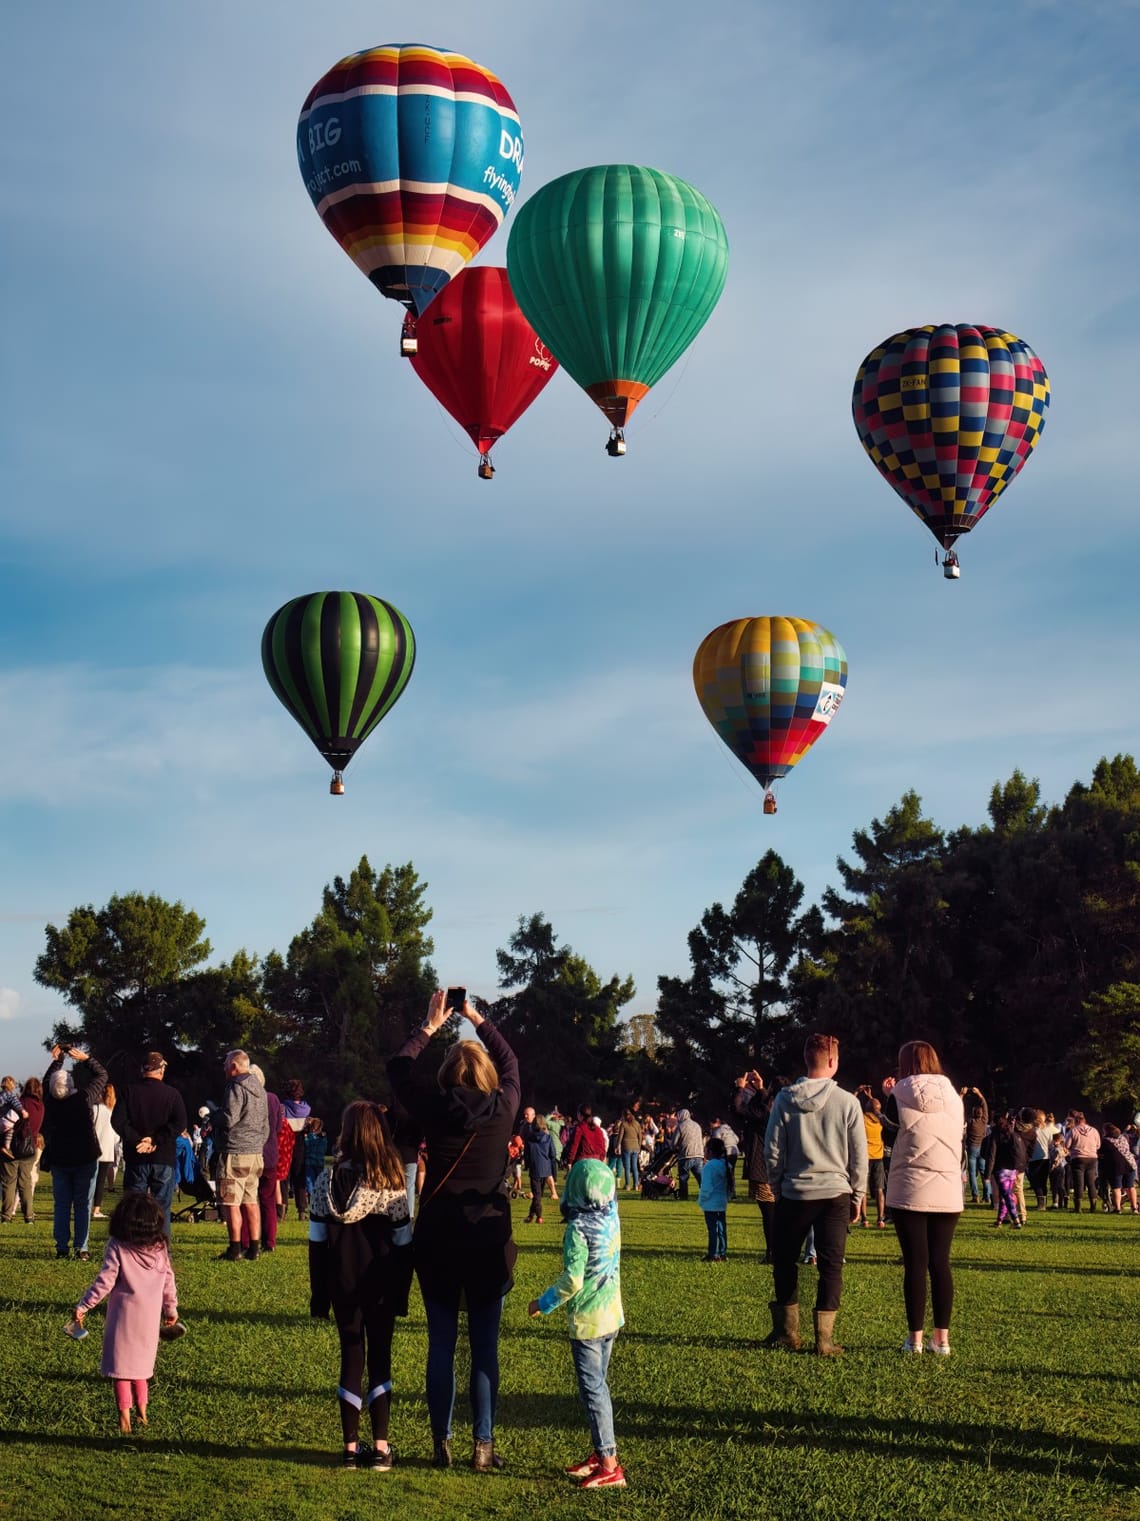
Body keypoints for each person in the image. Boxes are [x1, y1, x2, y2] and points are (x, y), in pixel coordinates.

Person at [388, 990, 519, 1473]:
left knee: (441, 1342)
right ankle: (482, 1445)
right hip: (487, 1237)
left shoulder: (432, 1108)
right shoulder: (504, 1107)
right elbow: (510, 1061)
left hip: (439, 1236)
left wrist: (429, 1024)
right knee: (484, 1345)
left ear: (447, 1075)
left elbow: (398, 1069)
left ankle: (440, 1442)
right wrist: (475, 1018)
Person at [308, 1100, 413, 1471]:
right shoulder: (392, 1181)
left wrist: (319, 1294)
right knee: (379, 1357)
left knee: (350, 1358)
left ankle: (350, 1448)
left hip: (341, 1283)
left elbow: (317, 1242)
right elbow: (403, 1243)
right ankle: (381, 1448)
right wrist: (401, 1293)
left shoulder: (327, 1179)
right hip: (381, 1284)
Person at [764, 1033, 867, 1356]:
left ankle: (787, 1332)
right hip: (835, 1191)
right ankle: (824, 1339)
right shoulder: (848, 1102)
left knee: (785, 1261)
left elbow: (773, 1149)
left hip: (795, 1191)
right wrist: (858, 1194)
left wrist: (778, 1186)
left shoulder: (784, 1099)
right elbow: (858, 1154)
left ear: (806, 1060)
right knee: (831, 1265)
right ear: (833, 1062)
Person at [527, 1158, 626, 1490]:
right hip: (612, 1316)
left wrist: (543, 1303)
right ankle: (601, 1454)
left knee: (594, 1392)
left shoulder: (578, 1230)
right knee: (599, 1388)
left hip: (588, 1323)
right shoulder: (611, 1216)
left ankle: (610, 1465)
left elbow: (572, 1280)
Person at [882, 1041, 964, 1355]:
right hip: (947, 1188)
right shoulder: (955, 1097)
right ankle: (941, 1339)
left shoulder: (899, 1093)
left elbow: (888, 1135)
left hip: (910, 1187)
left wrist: (888, 1095)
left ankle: (914, 1339)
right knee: (940, 1263)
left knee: (915, 1265)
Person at [73, 1191, 179, 1433]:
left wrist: (84, 1305)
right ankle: (143, 1413)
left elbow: (105, 1281)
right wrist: (171, 1308)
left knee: (121, 1371)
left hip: (122, 1319)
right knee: (141, 1369)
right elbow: (168, 1280)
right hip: (150, 1320)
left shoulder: (118, 1246)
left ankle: (124, 1420)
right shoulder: (160, 1247)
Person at [42, 1045, 109, 1261]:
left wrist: (58, 1060)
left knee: (61, 1204)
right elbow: (102, 1075)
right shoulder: (83, 1099)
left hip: (60, 1158)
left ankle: (62, 1246)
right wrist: (85, 1058)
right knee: (83, 1204)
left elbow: (46, 1081)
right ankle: (82, 1247)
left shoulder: (51, 1102)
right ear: (71, 1085)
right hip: (85, 1158)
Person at [112, 1052, 188, 1233]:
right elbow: (180, 1123)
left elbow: (118, 1121)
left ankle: (133, 1250)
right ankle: (161, 1252)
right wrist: (156, 1140)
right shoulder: (172, 1094)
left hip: (136, 1157)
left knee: (133, 1208)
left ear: (142, 1070)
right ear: (161, 1070)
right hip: (163, 1158)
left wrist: (138, 1140)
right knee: (162, 1209)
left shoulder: (128, 1092)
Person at [216, 1050, 270, 1261]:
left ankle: (234, 1248)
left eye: (225, 1064)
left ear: (234, 1066)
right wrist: (257, 1143)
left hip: (235, 1151)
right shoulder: (261, 1089)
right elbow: (266, 1124)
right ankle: (255, 1248)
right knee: (251, 1200)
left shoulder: (236, 1086)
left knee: (231, 1202)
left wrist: (214, 1116)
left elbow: (229, 1118)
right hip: (255, 1152)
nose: (223, 1068)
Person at [733, 1070, 777, 1262]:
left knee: (769, 1214)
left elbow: (739, 1108)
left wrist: (740, 1088)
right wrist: (760, 1088)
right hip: (769, 1169)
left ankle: (773, 1253)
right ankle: (775, 1251)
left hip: (762, 1170)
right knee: (772, 1214)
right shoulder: (772, 1113)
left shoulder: (763, 1114)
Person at [1, 1076, 44, 1223]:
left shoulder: (21, 1103)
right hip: (30, 1147)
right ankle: (29, 1216)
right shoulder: (41, 1106)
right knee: (25, 1183)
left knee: (9, 1182)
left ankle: (6, 1216)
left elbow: (8, 1122)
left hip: (13, 1146)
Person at [985, 1114, 1027, 1227]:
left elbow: (991, 1156)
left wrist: (987, 1174)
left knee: (1007, 1196)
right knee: (1004, 1196)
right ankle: (999, 1221)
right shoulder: (1012, 1133)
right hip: (1013, 1170)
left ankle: (1016, 1220)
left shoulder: (995, 1136)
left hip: (1001, 1170)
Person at [698, 1136, 730, 1261]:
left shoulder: (709, 1167)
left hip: (710, 1203)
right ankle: (722, 1252)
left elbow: (706, 1187)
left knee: (713, 1229)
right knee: (721, 1228)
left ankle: (713, 1253)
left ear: (710, 1151)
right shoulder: (725, 1165)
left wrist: (701, 1200)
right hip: (721, 1202)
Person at [91, 1081, 118, 1220]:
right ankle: (96, 1209)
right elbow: (116, 1136)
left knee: (91, 1179)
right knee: (101, 1181)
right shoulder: (113, 1112)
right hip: (107, 1150)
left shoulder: (96, 1109)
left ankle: (89, 1205)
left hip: (94, 1149)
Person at [523, 1115, 557, 1224]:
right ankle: (530, 1215)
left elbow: (526, 1155)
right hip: (546, 1168)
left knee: (536, 1194)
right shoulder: (548, 1138)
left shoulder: (529, 1138)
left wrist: (527, 1165)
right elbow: (553, 1154)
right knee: (538, 1194)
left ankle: (539, 1216)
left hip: (534, 1168)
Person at [1066, 1111, 1100, 1211]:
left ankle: (1078, 1207)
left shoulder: (1073, 1131)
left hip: (1078, 1158)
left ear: (1076, 1121)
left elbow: (1067, 1145)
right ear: (1084, 1120)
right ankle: (1093, 1206)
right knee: (1091, 1183)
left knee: (1078, 1183)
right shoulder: (1094, 1130)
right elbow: (1098, 1145)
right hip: (1092, 1158)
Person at [669, 1108, 705, 1201]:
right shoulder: (697, 1125)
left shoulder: (680, 1126)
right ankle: (706, 1194)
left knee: (683, 1178)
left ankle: (684, 1197)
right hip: (698, 1155)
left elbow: (674, 1142)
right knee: (700, 1177)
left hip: (686, 1155)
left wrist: (673, 1148)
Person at [961, 1087, 989, 1204]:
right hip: (982, 1147)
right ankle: (987, 1195)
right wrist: (979, 1094)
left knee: (972, 1173)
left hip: (972, 1148)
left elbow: (960, 1111)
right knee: (983, 1172)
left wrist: (961, 1096)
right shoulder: (984, 1121)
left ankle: (975, 1195)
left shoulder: (970, 1122)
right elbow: (985, 1105)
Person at [615, 1110, 643, 1192]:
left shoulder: (623, 1124)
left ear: (624, 1116)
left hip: (626, 1146)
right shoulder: (637, 1123)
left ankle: (627, 1185)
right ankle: (636, 1185)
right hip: (635, 1147)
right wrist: (639, 1145)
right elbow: (640, 1136)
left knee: (627, 1167)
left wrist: (617, 1146)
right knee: (634, 1167)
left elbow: (620, 1136)